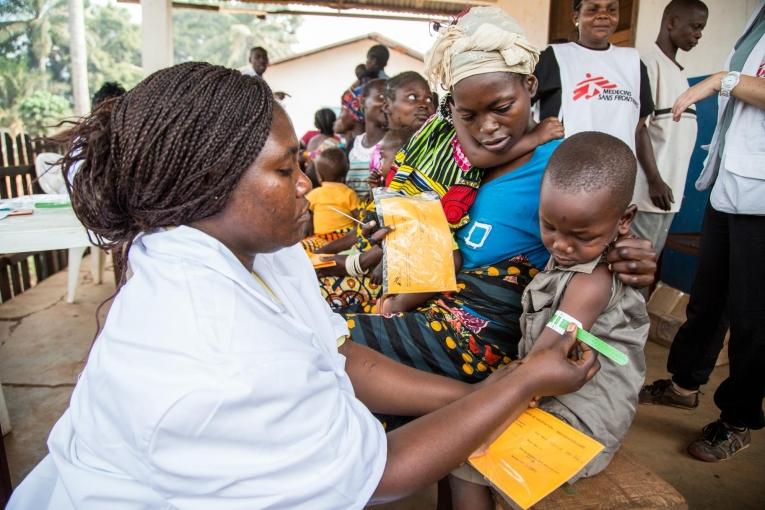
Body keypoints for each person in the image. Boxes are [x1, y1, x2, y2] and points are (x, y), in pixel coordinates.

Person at [7, 61, 599, 510]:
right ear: (210, 183)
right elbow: (379, 473)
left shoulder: (250, 247)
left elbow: (335, 357)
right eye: (286, 169)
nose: (306, 181)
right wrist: (521, 384)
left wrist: (476, 399)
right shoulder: (219, 359)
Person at [345, 6, 656, 387]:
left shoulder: (560, 170)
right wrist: (396, 242)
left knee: (330, 345)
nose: (487, 128)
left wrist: (629, 255)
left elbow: (600, 246)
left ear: (529, 86)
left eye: (502, 108)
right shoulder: (447, 164)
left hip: (475, 334)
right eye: (468, 115)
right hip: (421, 305)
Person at [450, 132, 649, 509]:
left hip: (582, 418)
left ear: (624, 220)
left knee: (473, 451)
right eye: (550, 227)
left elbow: (545, 358)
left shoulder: (592, 281)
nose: (560, 245)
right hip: (550, 395)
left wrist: (488, 403)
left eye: (580, 236)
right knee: (464, 443)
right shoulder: (570, 260)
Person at [640, 2, 765, 463]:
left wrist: (721, 80)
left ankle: (738, 419)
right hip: (729, 183)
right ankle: (683, 384)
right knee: (707, 299)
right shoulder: (759, 15)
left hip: (763, 198)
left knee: (753, 316)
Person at [533, 0, 664, 215]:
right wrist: (535, 136)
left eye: (611, 10)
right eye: (593, 9)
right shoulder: (554, 57)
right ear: (576, 17)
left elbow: (639, 127)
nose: (603, 16)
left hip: (618, 178)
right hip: (565, 176)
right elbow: (521, 109)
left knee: (606, 240)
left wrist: (654, 178)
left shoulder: (632, 62)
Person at [631, 0, 708, 255]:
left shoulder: (676, 71)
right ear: (672, 22)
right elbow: (638, 128)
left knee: (648, 266)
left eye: (702, 29)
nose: (698, 35)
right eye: (695, 27)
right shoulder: (648, 65)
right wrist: (654, 180)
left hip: (667, 196)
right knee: (636, 269)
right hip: (647, 196)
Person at [347, 78, 387, 202]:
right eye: (381, 97)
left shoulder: (394, 147)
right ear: (362, 101)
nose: (387, 103)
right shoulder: (354, 145)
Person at [305, 147, 359, 237]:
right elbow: (358, 217)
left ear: (319, 177)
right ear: (346, 172)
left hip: (321, 238)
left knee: (304, 247)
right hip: (346, 238)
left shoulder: (315, 194)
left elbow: (304, 212)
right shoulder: (349, 193)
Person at [302, 108, 340, 187]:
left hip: (309, 179)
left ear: (316, 123)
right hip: (326, 184)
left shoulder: (312, 140)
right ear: (334, 122)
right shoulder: (336, 142)